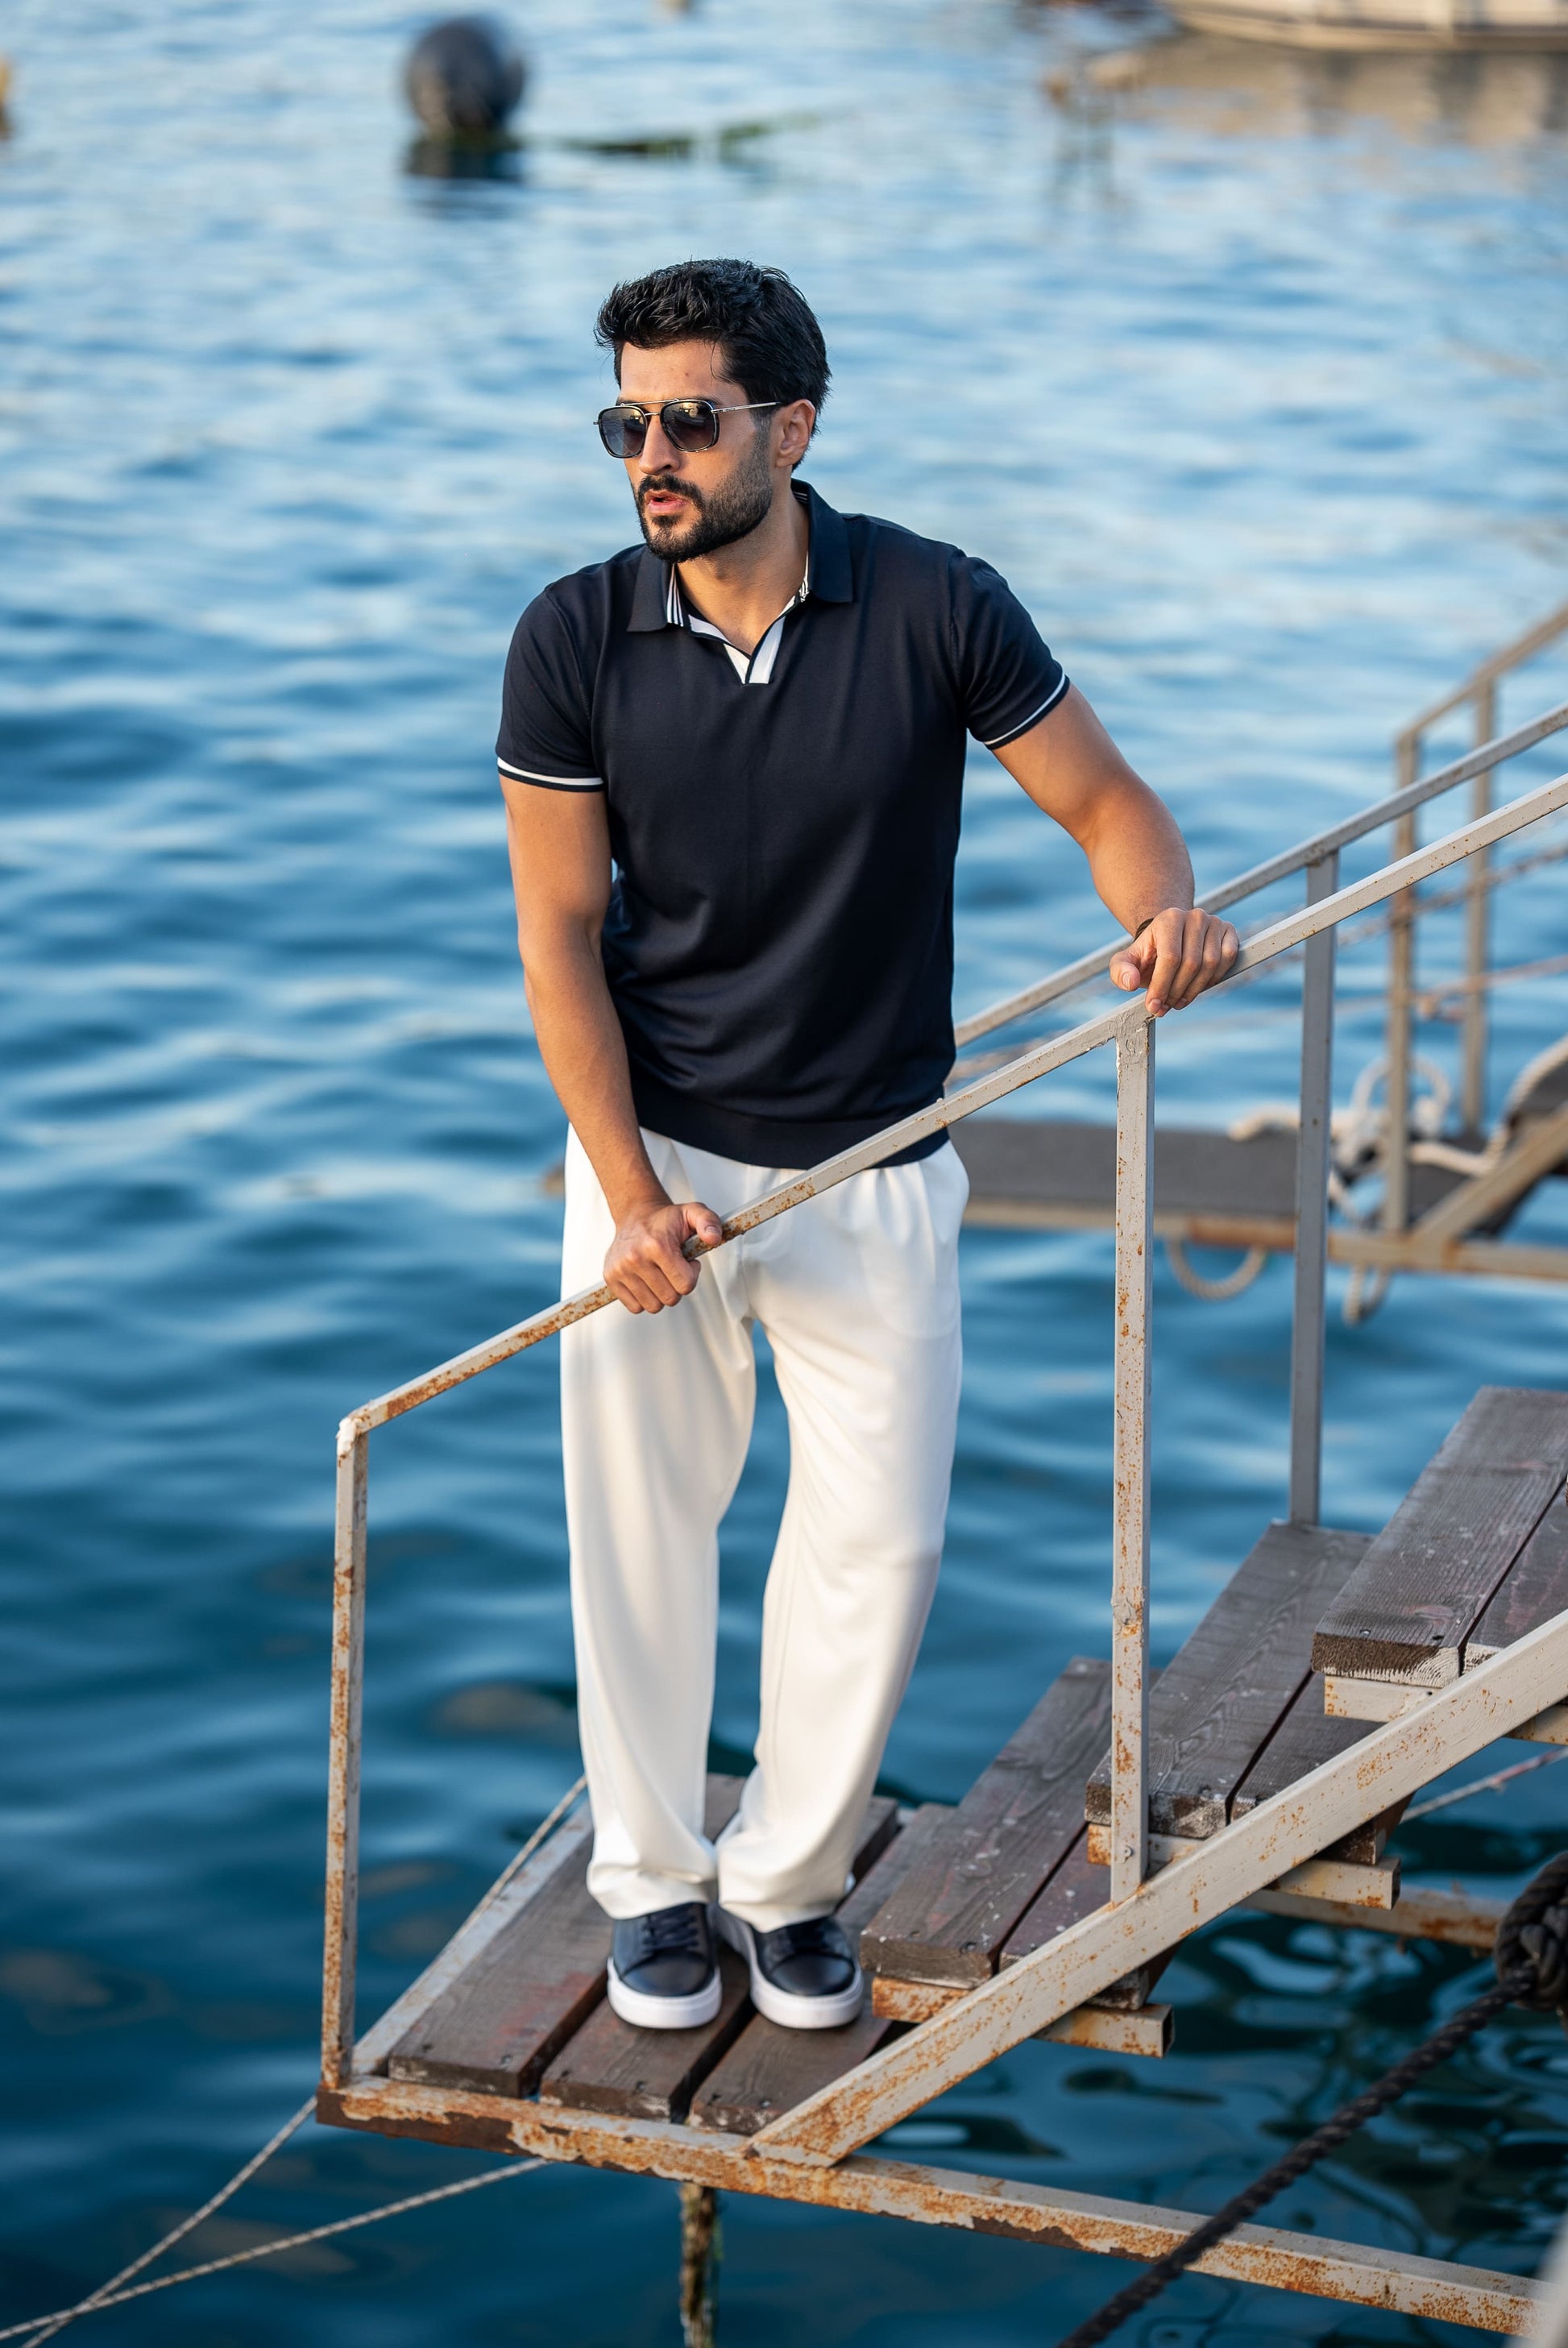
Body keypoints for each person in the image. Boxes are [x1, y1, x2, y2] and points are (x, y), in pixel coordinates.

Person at [497, 259, 1238, 2035]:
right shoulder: (571, 636)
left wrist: (1164, 912)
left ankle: (787, 1878)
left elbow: (1104, 803)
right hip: (660, 1162)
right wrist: (626, 1195)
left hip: (880, 1160)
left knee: (878, 1548)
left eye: (690, 420)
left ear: (792, 428)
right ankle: (652, 1880)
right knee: (639, 1536)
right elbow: (557, 941)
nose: (652, 455)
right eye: (626, 422)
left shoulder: (933, 602)